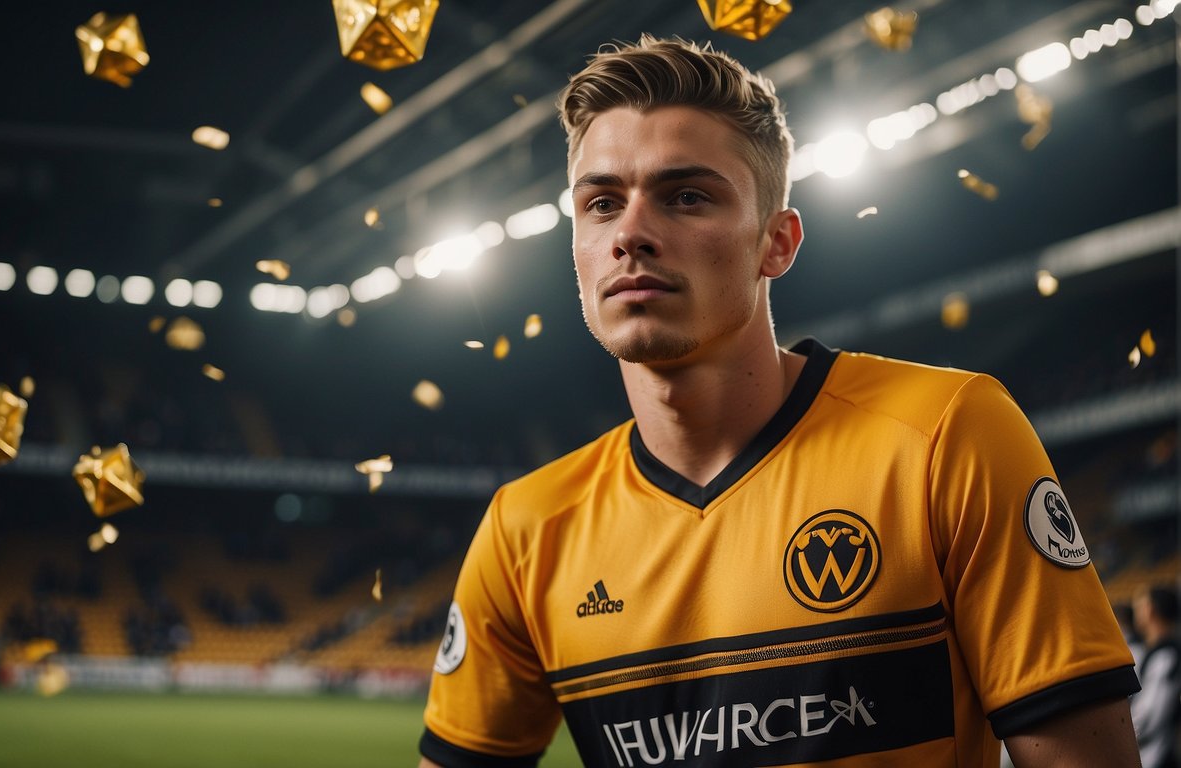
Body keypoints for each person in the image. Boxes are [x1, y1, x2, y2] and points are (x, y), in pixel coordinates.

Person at [417, 35, 1140, 768]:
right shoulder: (525, 529)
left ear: (777, 243)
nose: (630, 233)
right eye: (601, 203)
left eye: (686, 196)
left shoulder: (945, 434)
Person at [1132, 585, 1181, 768]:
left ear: (1151, 609)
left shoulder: (1166, 654)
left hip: (1157, 755)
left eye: (1140, 605)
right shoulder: (1154, 651)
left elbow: (1150, 715)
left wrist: (1123, 736)